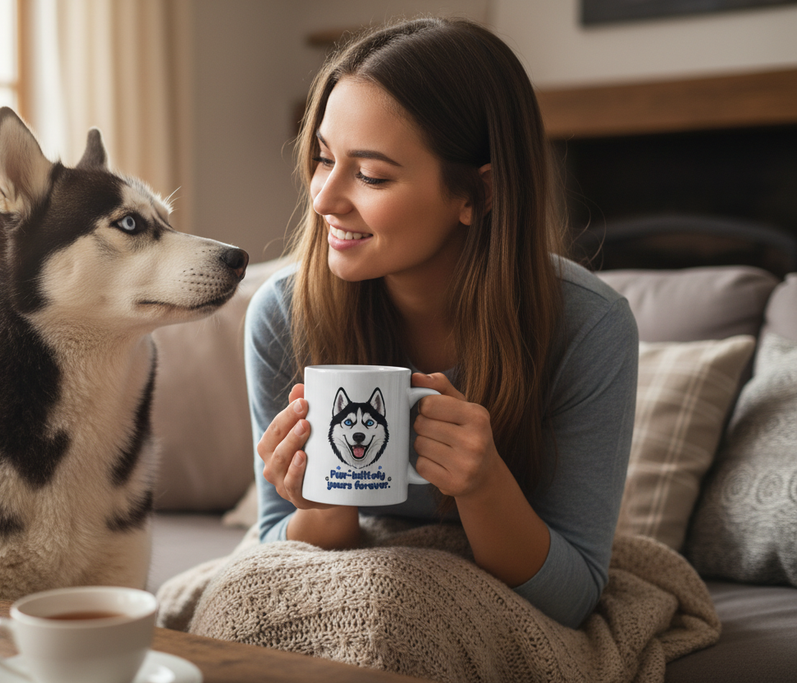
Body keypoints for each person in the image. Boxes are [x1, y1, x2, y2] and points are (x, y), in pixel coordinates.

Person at [244, 17, 638, 629]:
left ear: (477, 195)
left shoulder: (589, 327)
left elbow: (572, 596)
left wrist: (483, 487)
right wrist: (321, 509)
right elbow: (274, 551)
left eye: (371, 175)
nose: (322, 199)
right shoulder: (282, 313)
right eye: (323, 158)